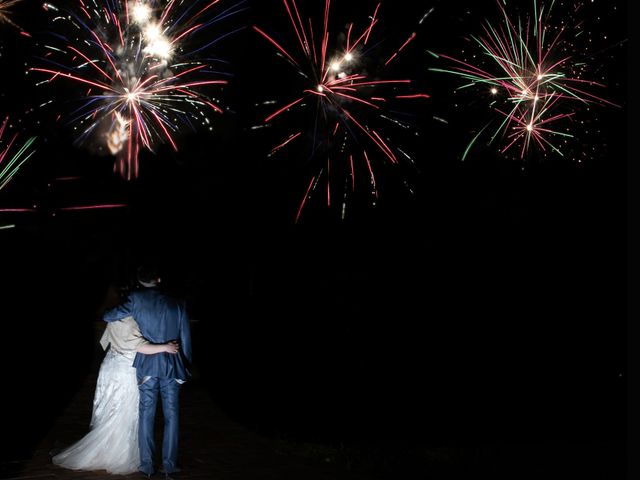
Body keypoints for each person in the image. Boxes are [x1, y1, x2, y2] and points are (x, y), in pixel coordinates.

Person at [52, 316, 179, 475]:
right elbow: (141, 347)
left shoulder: (113, 317)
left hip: (110, 366)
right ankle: (117, 454)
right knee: (123, 411)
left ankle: (106, 448)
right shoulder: (131, 320)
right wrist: (165, 347)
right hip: (124, 371)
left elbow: (107, 342)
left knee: (111, 410)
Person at [103, 264, 192, 479]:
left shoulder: (136, 300)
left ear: (140, 280)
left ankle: (147, 466)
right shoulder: (177, 304)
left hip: (147, 366)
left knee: (146, 414)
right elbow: (186, 339)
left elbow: (108, 317)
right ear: (159, 280)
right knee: (172, 416)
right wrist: (186, 366)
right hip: (172, 365)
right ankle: (169, 466)